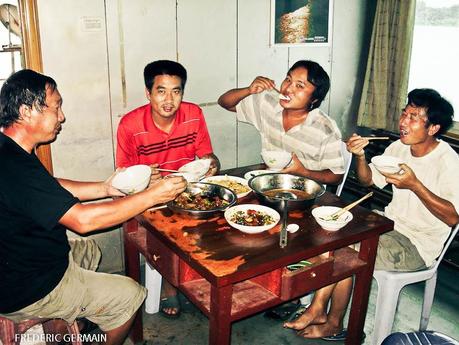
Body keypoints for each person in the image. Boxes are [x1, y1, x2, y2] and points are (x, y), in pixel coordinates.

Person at [0, 69, 187, 345]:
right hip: (29, 288)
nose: (62, 116)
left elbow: (49, 186)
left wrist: (104, 187)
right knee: (131, 295)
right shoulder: (14, 166)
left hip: (20, 265)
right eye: (57, 107)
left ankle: (79, 316)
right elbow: (83, 222)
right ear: (28, 111)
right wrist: (153, 195)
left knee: (89, 250)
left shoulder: (10, 148)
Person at [283, 88, 459, 340]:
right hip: (388, 224)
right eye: (404, 113)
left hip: (417, 244)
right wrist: (360, 156)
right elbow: (368, 182)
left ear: (433, 128)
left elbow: (453, 218)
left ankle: (323, 313)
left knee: (344, 250)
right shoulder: (399, 147)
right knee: (327, 231)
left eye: (413, 117)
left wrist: (415, 185)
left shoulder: (448, 162)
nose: (403, 122)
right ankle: (322, 313)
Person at [116, 59, 220, 318]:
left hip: (188, 190)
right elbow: (123, 178)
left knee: (218, 220)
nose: (169, 100)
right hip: (150, 198)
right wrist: (146, 181)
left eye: (176, 91)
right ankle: (170, 285)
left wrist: (212, 164)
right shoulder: (130, 125)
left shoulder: (194, 114)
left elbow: (207, 155)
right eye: (161, 91)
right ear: (148, 93)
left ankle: (199, 277)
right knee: (166, 232)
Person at [218, 59, 344, 185]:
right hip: (269, 185)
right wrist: (249, 90)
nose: (288, 88)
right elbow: (225, 103)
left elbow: (337, 177)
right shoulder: (268, 104)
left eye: (299, 86)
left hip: (306, 194)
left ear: (315, 99)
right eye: (288, 79)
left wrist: (304, 172)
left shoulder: (325, 128)